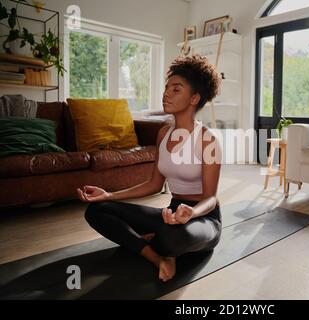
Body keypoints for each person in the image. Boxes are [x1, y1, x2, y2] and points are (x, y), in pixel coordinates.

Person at [77, 54, 222, 282]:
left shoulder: (207, 139)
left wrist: (191, 212)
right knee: (97, 210)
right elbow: (155, 184)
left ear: (194, 98)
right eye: (167, 88)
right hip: (171, 215)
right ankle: (158, 257)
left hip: (204, 219)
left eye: (176, 89)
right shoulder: (163, 133)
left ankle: (158, 243)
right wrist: (109, 195)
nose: (166, 93)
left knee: (172, 235)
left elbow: (211, 198)